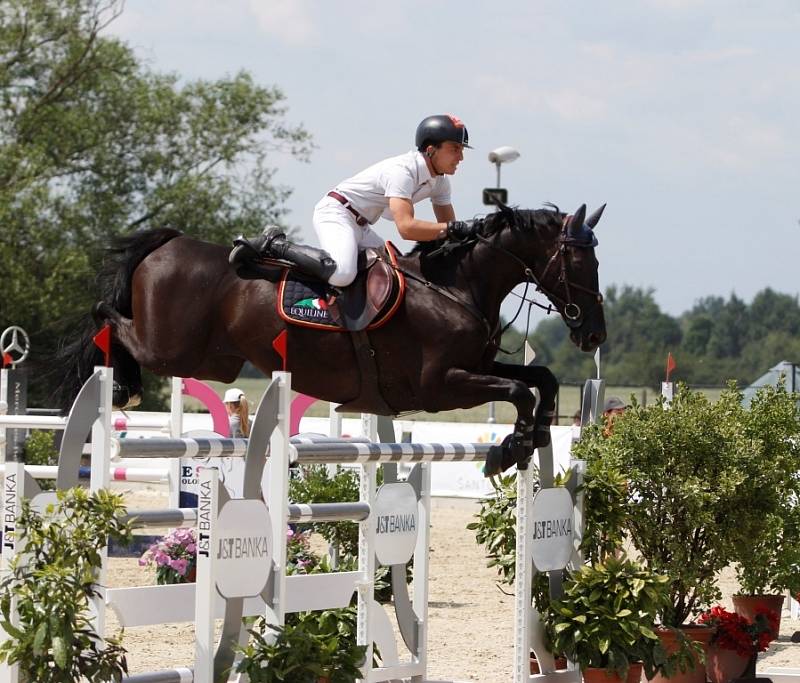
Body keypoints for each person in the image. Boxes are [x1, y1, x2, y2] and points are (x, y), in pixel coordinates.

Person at [235, 114, 482, 287]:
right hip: (336, 213)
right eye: (454, 148)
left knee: (399, 273)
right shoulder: (402, 171)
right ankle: (276, 244)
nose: (460, 157)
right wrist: (451, 228)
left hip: (361, 225)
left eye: (461, 150)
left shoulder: (440, 182)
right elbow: (407, 229)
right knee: (342, 274)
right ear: (430, 149)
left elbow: (451, 234)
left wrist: (474, 235)